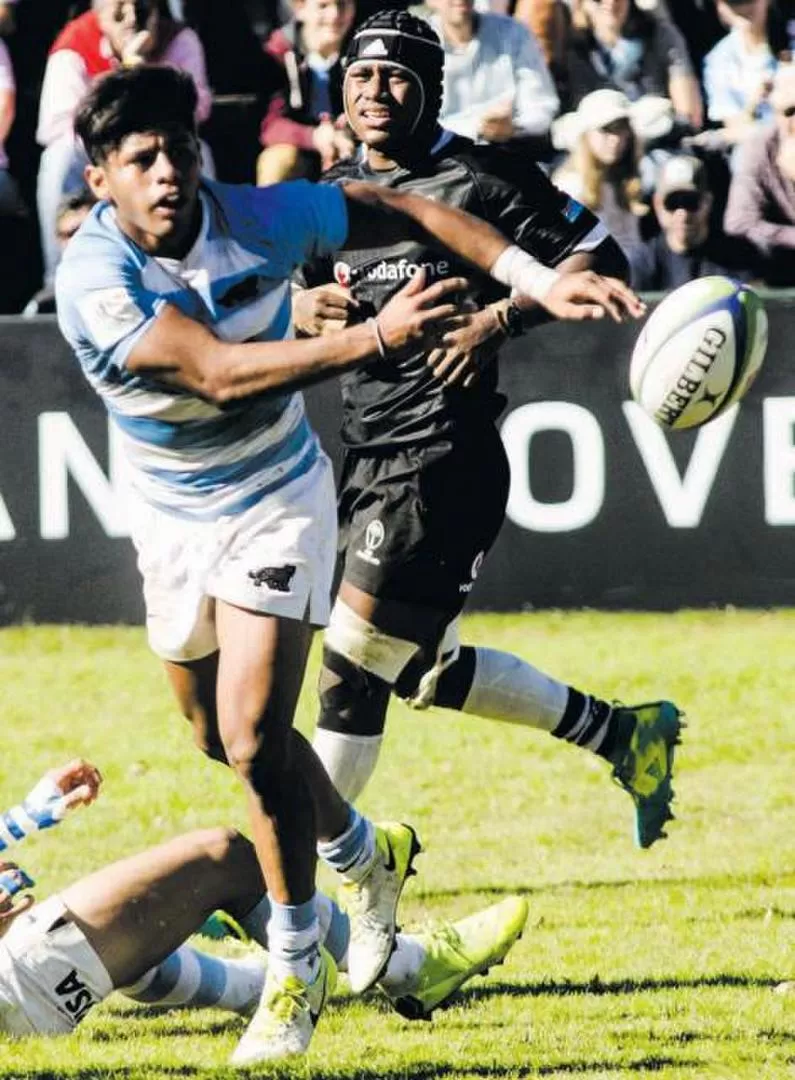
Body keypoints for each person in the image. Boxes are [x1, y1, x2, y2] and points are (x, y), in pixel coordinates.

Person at [53, 63, 625, 1065]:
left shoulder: (256, 215)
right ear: (101, 179)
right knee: (207, 732)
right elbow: (217, 374)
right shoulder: (95, 280)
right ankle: (367, 852)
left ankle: (294, 966)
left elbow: (395, 207)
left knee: (247, 739)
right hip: (172, 520)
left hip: (278, 502)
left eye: (178, 149)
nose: (166, 172)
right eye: (139, 159)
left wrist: (536, 279)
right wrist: (370, 335)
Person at [293, 9, 682, 856]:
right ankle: (621, 735)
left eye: (396, 74)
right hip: (365, 451)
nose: (375, 91)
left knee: (353, 669)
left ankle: (271, 883)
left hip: (444, 454)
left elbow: (599, 258)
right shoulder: (329, 196)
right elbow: (287, 305)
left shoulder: (482, 178)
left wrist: (499, 318)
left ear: (430, 87)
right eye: (360, 75)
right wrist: (298, 308)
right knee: (425, 668)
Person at [0, 759, 530, 1037]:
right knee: (221, 857)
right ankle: (410, 968)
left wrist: (23, 820)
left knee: (145, 920)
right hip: (19, 982)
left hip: (20, 979)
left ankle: (259, 986)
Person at [36, 0, 213, 287]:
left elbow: (198, 108)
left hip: (157, 146)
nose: (132, 17)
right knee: (58, 159)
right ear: (99, 12)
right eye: (120, 7)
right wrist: (129, 73)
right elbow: (55, 123)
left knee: (199, 151)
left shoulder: (179, 39)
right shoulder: (74, 42)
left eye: (143, 7)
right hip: (95, 151)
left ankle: (203, 267)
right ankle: (58, 278)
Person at [426, 0, 560, 150]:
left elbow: (541, 104)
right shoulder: (421, 44)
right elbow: (418, 122)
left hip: (510, 150)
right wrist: (476, 127)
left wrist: (514, 128)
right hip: (443, 157)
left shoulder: (513, 32)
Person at [258, 0, 357, 185]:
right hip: (301, 145)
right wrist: (314, 136)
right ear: (300, 8)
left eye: (342, 4)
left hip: (349, 143)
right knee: (277, 161)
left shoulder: (362, 48)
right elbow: (267, 125)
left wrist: (351, 129)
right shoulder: (278, 52)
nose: (334, 15)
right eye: (323, 6)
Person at [565, 0, 702, 129]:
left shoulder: (660, 34)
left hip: (662, 136)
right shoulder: (573, 49)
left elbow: (688, 113)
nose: (611, 2)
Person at [629, 152, 757, 288]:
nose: (683, 213)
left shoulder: (740, 258)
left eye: (691, 202)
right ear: (658, 204)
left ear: (707, 202)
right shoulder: (642, 264)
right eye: (672, 203)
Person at [552, 88, 649, 262]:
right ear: (586, 134)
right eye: (606, 130)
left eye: (621, 129)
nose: (616, 139)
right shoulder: (570, 187)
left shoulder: (628, 181)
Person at [724, 61, 795, 284]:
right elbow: (738, 222)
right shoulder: (759, 147)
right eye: (790, 111)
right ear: (775, 114)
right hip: (782, 264)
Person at [23, 189, 97, 317]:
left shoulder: (131, 288)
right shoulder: (44, 306)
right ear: (59, 239)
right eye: (70, 234)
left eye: (86, 230)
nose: (78, 239)